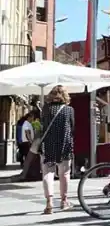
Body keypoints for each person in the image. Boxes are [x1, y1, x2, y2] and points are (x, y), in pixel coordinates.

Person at [40, 85, 75, 214]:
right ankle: (64, 201)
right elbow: (72, 127)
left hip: (48, 143)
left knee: (48, 172)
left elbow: (43, 125)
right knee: (64, 173)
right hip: (64, 143)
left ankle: (49, 202)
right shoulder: (69, 110)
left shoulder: (45, 109)